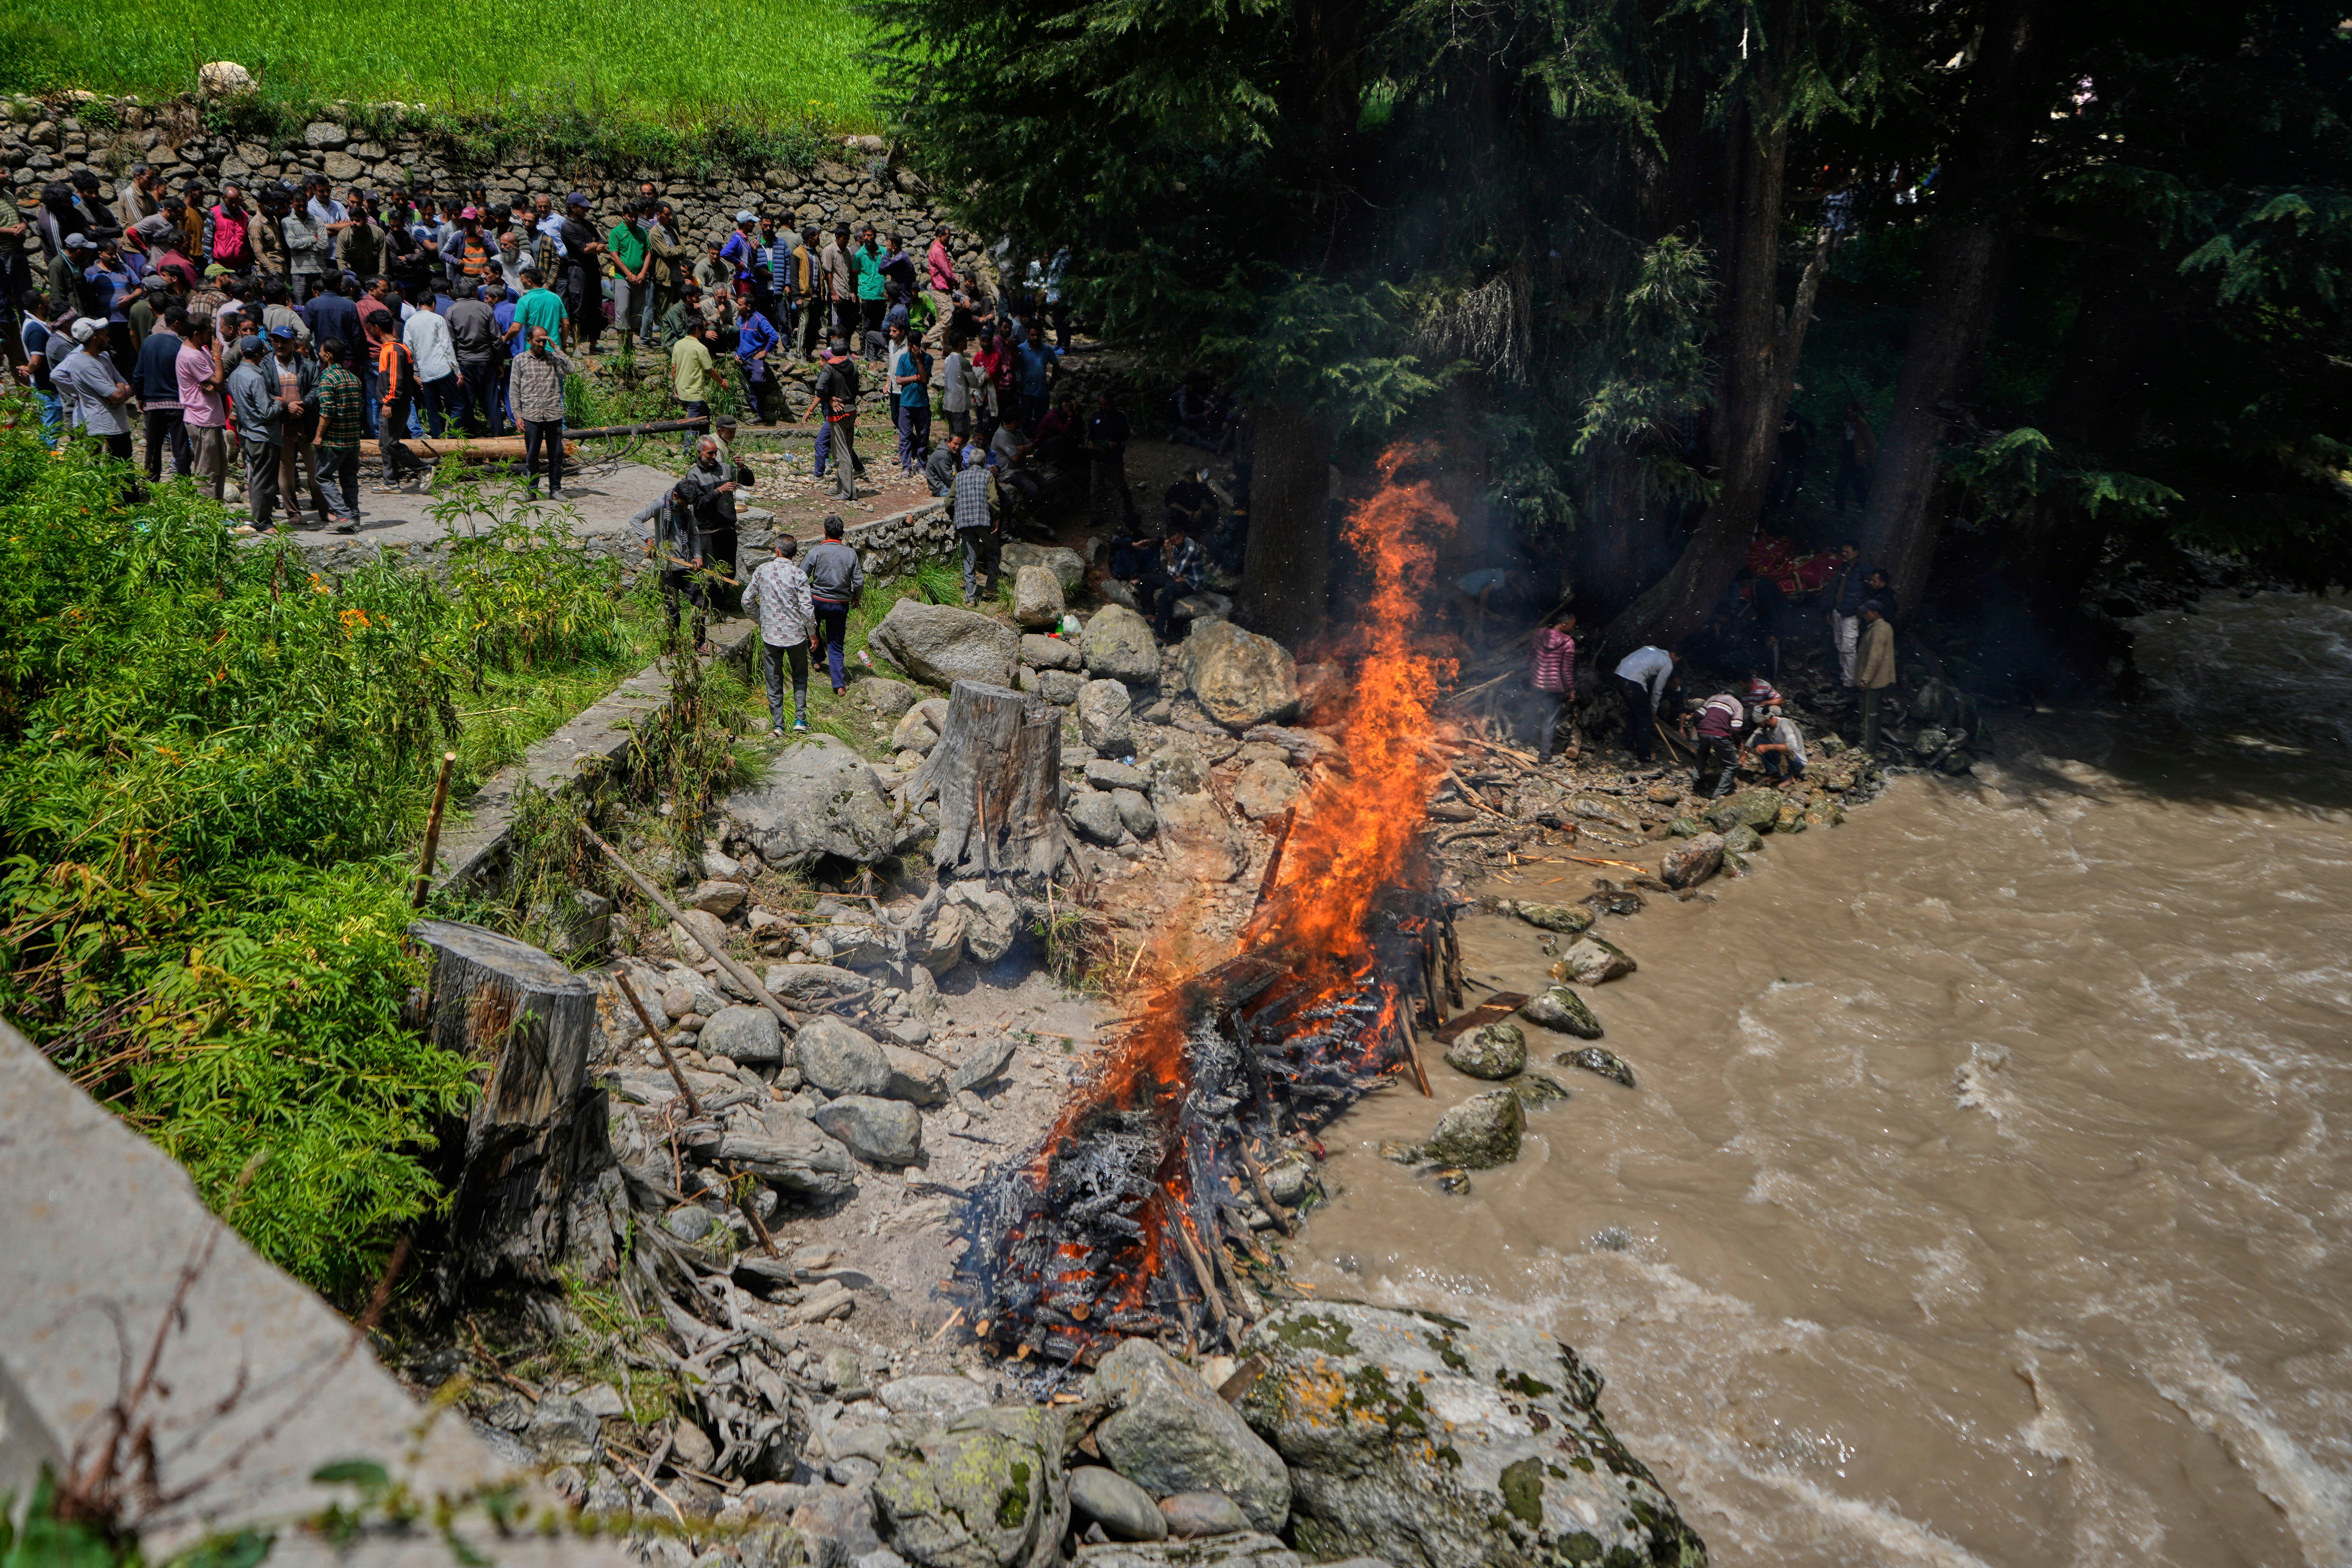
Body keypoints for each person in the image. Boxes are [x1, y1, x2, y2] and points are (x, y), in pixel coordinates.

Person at [742, 533, 819, 735]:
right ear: (795, 553)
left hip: (771, 637)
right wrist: (812, 633)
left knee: (774, 679)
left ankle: (778, 726)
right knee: (800, 676)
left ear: (777, 550)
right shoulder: (799, 575)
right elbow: (806, 608)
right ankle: (800, 721)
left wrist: (762, 621)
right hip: (796, 635)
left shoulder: (762, 571)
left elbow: (746, 601)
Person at [53, 318, 138, 473]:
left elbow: (126, 387)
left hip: (120, 426)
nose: (109, 338)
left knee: (126, 472)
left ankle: (131, 498)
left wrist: (119, 389)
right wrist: (82, 390)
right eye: (105, 335)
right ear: (95, 339)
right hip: (104, 429)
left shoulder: (104, 357)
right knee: (108, 475)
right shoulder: (83, 363)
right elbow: (118, 396)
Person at [266, 327, 327, 529]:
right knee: (286, 474)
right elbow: (262, 393)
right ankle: (293, 513)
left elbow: (317, 388)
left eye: (284, 341)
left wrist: (303, 404)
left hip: (306, 425)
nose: (280, 345)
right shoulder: (266, 366)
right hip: (281, 427)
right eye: (276, 341)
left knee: (315, 472)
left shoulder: (307, 366)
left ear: (293, 342)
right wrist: (286, 405)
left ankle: (324, 510)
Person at [509, 323, 574, 499]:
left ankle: (555, 489)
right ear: (529, 341)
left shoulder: (553, 358)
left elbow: (571, 369)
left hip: (554, 413)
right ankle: (532, 491)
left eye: (544, 340)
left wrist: (556, 346)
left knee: (557, 454)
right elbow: (514, 391)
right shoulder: (520, 360)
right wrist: (518, 416)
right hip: (531, 415)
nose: (542, 344)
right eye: (538, 341)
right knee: (532, 456)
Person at [225, 335, 283, 530]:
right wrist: (279, 402)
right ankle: (262, 521)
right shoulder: (256, 378)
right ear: (261, 354)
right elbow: (267, 412)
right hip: (264, 436)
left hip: (247, 433)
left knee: (255, 477)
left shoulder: (235, 375)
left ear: (242, 352)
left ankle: (259, 517)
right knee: (264, 480)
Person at [804, 514, 864, 695]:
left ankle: (817, 660)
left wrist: (807, 594)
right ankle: (839, 685)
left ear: (824, 532)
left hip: (817, 602)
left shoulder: (815, 552)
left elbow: (801, 575)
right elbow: (859, 582)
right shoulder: (850, 554)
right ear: (843, 534)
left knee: (812, 630)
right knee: (836, 643)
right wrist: (856, 597)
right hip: (840, 604)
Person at [132, 305, 188, 482]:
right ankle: (185, 485)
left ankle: (151, 483)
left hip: (153, 405)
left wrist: (140, 398)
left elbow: (138, 374)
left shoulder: (148, 342)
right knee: (181, 447)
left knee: (153, 447)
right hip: (177, 406)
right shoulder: (182, 346)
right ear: (178, 324)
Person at [314, 337, 365, 531]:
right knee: (350, 480)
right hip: (353, 441)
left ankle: (343, 516)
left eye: (321, 351)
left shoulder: (327, 378)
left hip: (335, 441)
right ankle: (355, 519)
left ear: (329, 355)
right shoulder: (353, 378)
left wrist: (319, 436)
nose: (319, 354)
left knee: (323, 477)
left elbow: (327, 410)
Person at [375, 316, 426, 491]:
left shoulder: (394, 350)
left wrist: (388, 402)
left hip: (394, 405)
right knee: (385, 443)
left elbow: (395, 379)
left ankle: (424, 469)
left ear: (376, 328)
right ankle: (391, 482)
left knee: (390, 443)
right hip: (392, 404)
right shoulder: (393, 348)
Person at [445, 284, 501, 434]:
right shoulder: (486, 308)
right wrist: (499, 362)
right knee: (493, 401)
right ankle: (499, 436)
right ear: (474, 292)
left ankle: (471, 436)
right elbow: (496, 338)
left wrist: (455, 366)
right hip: (487, 361)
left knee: (468, 402)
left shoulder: (451, 311)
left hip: (465, 362)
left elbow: (452, 342)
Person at [403, 288, 459, 436]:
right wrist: (458, 372)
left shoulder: (409, 323)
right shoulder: (438, 319)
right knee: (458, 405)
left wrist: (416, 372)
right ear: (433, 304)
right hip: (443, 369)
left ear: (418, 304)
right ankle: (454, 437)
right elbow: (447, 347)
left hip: (426, 372)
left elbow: (409, 350)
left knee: (434, 409)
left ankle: (438, 439)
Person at [1139, 521, 1207, 641]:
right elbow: (1172, 569)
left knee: (1166, 594)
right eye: (1174, 540)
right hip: (1178, 577)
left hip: (1190, 581)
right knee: (1145, 579)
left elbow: (1177, 568)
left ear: (1183, 534)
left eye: (1179, 538)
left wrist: (1169, 556)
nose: (1177, 542)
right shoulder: (1175, 547)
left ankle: (1163, 635)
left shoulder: (1191, 547)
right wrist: (1175, 575)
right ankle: (1150, 614)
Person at [1611, 644, 1679, 765]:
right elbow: (1658, 690)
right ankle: (1644, 756)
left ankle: (1626, 744)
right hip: (1633, 682)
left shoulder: (1651, 648)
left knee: (1635, 711)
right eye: (1677, 660)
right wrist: (1653, 712)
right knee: (1646, 718)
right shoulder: (1668, 663)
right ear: (1673, 655)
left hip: (1619, 676)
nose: (1676, 662)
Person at [555, 194, 604, 354]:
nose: (586, 209)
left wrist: (594, 246)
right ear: (573, 208)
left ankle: (594, 344)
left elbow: (602, 242)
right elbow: (583, 249)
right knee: (578, 307)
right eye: (582, 207)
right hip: (578, 271)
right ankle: (576, 346)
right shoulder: (568, 226)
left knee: (595, 305)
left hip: (593, 270)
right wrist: (595, 246)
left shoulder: (588, 225)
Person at [814, 338, 862, 503]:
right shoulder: (852, 365)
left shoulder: (830, 367)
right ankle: (841, 487)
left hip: (838, 414)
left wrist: (830, 401)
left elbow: (820, 388)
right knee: (846, 450)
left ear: (833, 352)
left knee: (841, 454)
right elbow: (857, 386)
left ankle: (848, 492)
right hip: (851, 412)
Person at [951, 446, 1000, 605]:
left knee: (969, 558)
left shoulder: (959, 477)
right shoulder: (987, 475)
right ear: (984, 462)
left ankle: (970, 597)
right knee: (993, 552)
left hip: (965, 524)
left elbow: (949, 501)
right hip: (983, 522)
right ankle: (991, 589)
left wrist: (956, 516)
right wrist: (997, 517)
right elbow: (993, 500)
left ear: (969, 462)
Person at [1529, 612, 1577, 765]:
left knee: (1531, 710)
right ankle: (1545, 757)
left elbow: (1531, 654)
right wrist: (1571, 689)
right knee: (1550, 721)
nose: (1573, 628)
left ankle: (1523, 740)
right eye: (1572, 625)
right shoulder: (1568, 643)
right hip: (1554, 688)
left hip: (1537, 682)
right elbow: (1566, 671)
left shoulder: (1540, 634)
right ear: (1564, 625)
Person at [1684, 688, 1747, 799]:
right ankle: (1719, 795)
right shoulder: (1738, 705)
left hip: (1703, 732)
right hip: (1720, 735)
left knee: (1703, 753)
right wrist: (1738, 744)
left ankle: (1697, 778)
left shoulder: (1713, 698)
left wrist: (1701, 728)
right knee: (1732, 766)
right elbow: (1736, 729)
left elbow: (1698, 716)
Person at [606, 201, 651, 354]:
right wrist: (629, 275)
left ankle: (630, 345)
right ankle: (623, 346)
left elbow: (648, 253)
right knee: (623, 310)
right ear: (624, 216)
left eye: (636, 217)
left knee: (636, 312)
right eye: (630, 216)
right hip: (622, 278)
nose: (633, 219)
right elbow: (615, 256)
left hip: (640, 280)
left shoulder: (643, 232)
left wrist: (643, 274)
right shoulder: (617, 232)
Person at [1085, 388, 1132, 530]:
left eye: (1106, 404)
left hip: (1114, 460)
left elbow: (1127, 437)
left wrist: (1117, 444)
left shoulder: (1120, 417)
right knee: (1095, 487)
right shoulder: (1096, 416)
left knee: (1120, 485)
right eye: (1101, 405)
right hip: (1098, 459)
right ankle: (1096, 516)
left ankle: (1130, 509)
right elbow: (1090, 433)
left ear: (1112, 403)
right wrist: (1090, 443)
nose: (1104, 407)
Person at [1856, 599, 1896, 753]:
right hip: (1880, 681)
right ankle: (1875, 745)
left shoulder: (1878, 630)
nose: (1865, 615)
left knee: (1868, 714)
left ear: (1876, 614)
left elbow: (1875, 658)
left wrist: (1866, 679)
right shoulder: (1884, 627)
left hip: (1873, 682)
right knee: (1875, 714)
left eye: (1867, 612)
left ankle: (1865, 747)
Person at [890, 324, 932, 471]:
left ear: (919, 345)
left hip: (922, 404)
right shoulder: (903, 359)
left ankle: (921, 465)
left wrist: (919, 360)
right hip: (906, 403)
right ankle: (906, 467)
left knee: (923, 436)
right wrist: (915, 378)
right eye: (909, 345)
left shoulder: (928, 359)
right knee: (905, 437)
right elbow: (899, 380)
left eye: (912, 346)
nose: (910, 349)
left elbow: (925, 380)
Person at [1826, 540, 1868, 685]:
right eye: (1843, 552)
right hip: (1838, 611)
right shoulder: (1844, 567)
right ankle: (1846, 677)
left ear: (1856, 553)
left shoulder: (1863, 569)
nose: (1844, 554)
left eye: (1848, 552)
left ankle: (1850, 682)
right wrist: (1831, 610)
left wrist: (1861, 610)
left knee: (1849, 648)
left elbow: (1870, 591)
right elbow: (1837, 590)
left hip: (1851, 614)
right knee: (1839, 645)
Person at [736, 302, 782, 424]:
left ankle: (763, 414)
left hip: (755, 358)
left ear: (749, 307)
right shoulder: (740, 318)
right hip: (742, 360)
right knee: (749, 388)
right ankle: (760, 415)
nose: (737, 307)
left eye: (740, 304)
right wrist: (735, 353)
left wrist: (765, 352)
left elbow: (774, 336)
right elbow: (737, 338)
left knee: (757, 381)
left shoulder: (760, 319)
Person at [671, 319, 717, 421]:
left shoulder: (678, 344)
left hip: (682, 392)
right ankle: (691, 437)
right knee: (693, 427)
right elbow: (710, 370)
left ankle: (704, 436)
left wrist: (675, 385)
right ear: (698, 330)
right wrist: (722, 383)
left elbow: (674, 368)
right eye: (704, 329)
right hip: (694, 396)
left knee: (705, 416)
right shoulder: (701, 348)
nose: (705, 332)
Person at [1834, 401, 1874, 514]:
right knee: (1840, 485)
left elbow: (1871, 444)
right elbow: (1844, 441)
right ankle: (1840, 510)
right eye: (1847, 411)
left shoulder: (1862, 425)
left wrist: (1869, 460)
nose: (1849, 413)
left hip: (1858, 461)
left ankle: (1867, 510)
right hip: (1848, 459)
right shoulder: (1847, 424)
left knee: (1858, 486)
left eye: (1851, 411)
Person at [1747, 707, 1807, 781]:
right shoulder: (1767, 728)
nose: (1760, 726)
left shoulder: (1784, 724)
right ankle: (1774, 772)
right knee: (1760, 742)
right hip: (1782, 760)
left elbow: (1793, 746)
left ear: (1767, 720)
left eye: (1760, 724)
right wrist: (1745, 753)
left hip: (1798, 762)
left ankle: (1788, 778)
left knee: (1779, 748)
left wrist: (1769, 747)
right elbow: (1754, 737)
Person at [940, 333, 977, 440]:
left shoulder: (948, 360)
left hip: (949, 404)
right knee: (962, 438)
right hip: (960, 406)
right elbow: (974, 383)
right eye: (965, 341)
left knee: (953, 436)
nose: (967, 343)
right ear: (961, 344)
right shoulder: (963, 362)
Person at [925, 431, 964, 496]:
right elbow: (949, 479)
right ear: (949, 442)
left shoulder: (954, 453)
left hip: (950, 484)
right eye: (955, 444)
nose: (958, 447)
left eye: (960, 445)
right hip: (941, 488)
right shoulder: (943, 456)